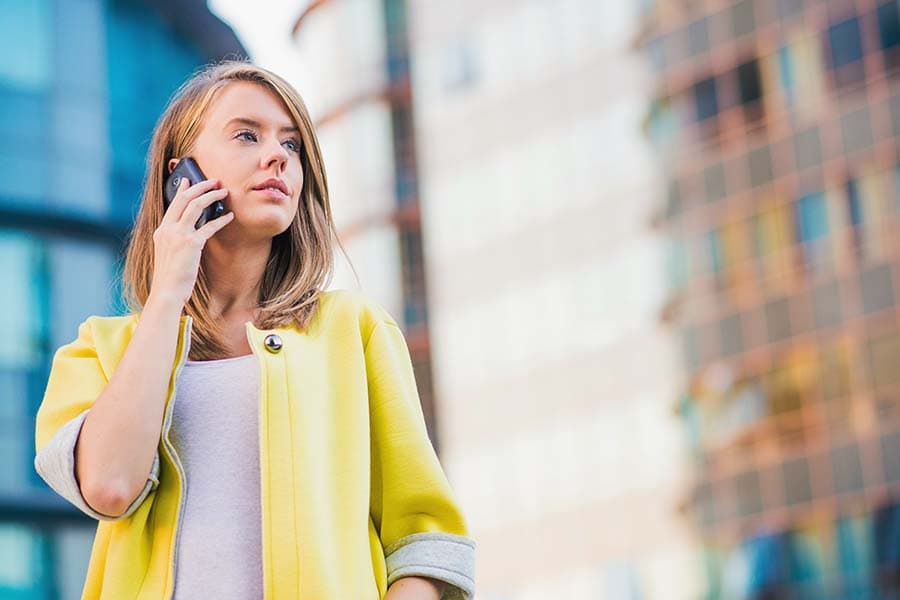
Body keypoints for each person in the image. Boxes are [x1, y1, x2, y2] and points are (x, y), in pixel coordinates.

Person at [33, 60, 474, 600]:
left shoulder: (353, 332)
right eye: (247, 134)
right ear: (181, 176)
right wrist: (169, 292)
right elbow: (109, 485)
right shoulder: (99, 349)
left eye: (292, 145)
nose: (277, 157)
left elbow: (425, 539)